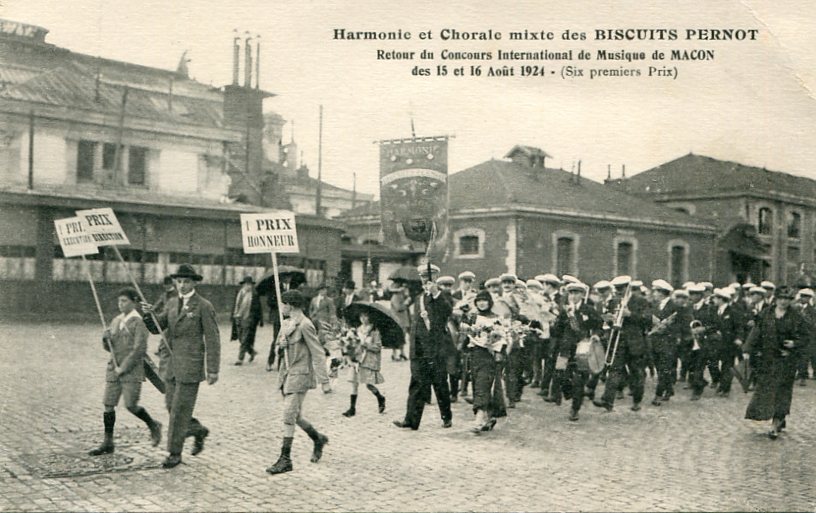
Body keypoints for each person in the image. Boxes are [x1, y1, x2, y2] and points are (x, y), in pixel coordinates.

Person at [142, 263, 220, 469]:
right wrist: (148, 315)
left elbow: (213, 339)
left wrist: (213, 369)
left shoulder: (203, 306)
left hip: (190, 367)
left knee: (178, 411)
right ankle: (196, 429)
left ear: (194, 283)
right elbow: (156, 329)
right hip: (170, 366)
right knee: (171, 406)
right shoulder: (171, 303)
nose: (182, 285)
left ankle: (174, 453)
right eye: (179, 281)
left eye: (186, 281)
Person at [89, 287, 162, 456]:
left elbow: (139, 349)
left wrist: (125, 367)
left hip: (131, 370)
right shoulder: (116, 320)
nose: (120, 304)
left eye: (125, 301)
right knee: (108, 404)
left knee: (131, 405)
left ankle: (153, 424)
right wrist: (105, 339)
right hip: (114, 368)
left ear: (134, 302)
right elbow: (110, 349)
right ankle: (108, 442)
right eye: (119, 301)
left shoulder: (139, 322)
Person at [266, 290, 332, 475]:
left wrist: (324, 381)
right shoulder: (286, 323)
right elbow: (279, 347)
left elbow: (318, 353)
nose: (281, 307)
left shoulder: (305, 325)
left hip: (300, 376)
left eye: (283, 304)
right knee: (296, 416)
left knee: (288, 415)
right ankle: (318, 438)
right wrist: (282, 345)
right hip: (286, 375)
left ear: (291, 305)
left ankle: (285, 459)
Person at [393, 264, 454, 430]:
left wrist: (436, 293)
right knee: (416, 384)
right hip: (419, 348)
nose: (426, 279)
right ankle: (411, 420)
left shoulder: (444, 295)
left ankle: (446, 416)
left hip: (436, 348)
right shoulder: (419, 296)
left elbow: (447, 312)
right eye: (423, 277)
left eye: (429, 276)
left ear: (436, 277)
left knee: (440, 383)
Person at [744, 286, 809, 439]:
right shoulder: (766, 314)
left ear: (790, 301)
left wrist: (794, 344)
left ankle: (775, 423)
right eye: (781, 298)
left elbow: (807, 337)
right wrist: (747, 349)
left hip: (786, 360)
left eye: (787, 299)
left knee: (782, 391)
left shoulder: (797, 317)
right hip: (767, 359)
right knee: (766, 390)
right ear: (776, 298)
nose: (783, 302)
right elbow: (756, 333)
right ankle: (779, 418)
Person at [594, 276, 652, 412]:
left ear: (628, 288)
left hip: (635, 343)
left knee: (636, 374)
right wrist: (608, 319)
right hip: (618, 342)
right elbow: (607, 321)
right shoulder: (614, 302)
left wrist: (630, 314)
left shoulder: (641, 301)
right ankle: (607, 401)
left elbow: (647, 321)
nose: (619, 291)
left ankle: (637, 401)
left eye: (621, 289)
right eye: (617, 289)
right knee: (614, 371)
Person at [551, 282, 603, 421]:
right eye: (571, 293)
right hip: (565, 349)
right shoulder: (565, 311)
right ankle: (568, 394)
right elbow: (557, 331)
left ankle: (575, 408)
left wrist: (596, 334)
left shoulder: (588, 309)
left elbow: (599, 325)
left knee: (579, 380)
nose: (573, 296)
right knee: (561, 375)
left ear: (582, 294)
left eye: (577, 293)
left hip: (583, 348)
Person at [461, 290, 507, 433]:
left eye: (484, 300)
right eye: (479, 300)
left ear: (489, 302)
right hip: (475, 355)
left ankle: (478, 420)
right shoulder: (473, 317)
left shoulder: (497, 319)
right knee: (479, 385)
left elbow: (503, 337)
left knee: (482, 385)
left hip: (490, 356)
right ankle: (490, 417)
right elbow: (465, 334)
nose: (481, 303)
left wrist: (498, 350)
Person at [341, 310, 386, 417]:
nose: (363, 319)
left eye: (365, 316)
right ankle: (352, 408)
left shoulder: (374, 331)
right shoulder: (357, 329)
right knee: (354, 383)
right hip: (357, 359)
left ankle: (380, 397)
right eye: (361, 316)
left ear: (369, 317)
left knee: (368, 384)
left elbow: (378, 347)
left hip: (368, 360)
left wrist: (365, 344)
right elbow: (353, 343)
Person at [711, 288, 745, 397]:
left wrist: (739, 338)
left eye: (716, 298)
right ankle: (721, 384)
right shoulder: (715, 310)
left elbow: (739, 326)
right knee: (713, 363)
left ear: (721, 299)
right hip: (716, 342)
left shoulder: (732, 312)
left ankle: (725, 389)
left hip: (729, 343)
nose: (714, 300)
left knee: (727, 365)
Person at [232, 276, 263, 366]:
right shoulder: (239, 293)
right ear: (243, 285)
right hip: (238, 317)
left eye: (250, 284)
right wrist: (234, 316)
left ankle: (240, 359)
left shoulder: (254, 295)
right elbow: (235, 305)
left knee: (245, 338)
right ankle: (252, 351)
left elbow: (259, 308)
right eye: (246, 284)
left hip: (248, 318)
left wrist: (260, 320)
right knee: (240, 338)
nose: (248, 286)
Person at [266, 274, 293, 372]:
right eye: (286, 277)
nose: (288, 278)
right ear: (282, 278)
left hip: (289, 317)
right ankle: (270, 361)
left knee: (287, 339)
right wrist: (278, 302)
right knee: (276, 339)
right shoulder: (276, 288)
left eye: (289, 277)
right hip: (278, 317)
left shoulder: (292, 288)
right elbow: (269, 302)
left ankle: (281, 363)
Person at [794, 288, 816, 385]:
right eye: (802, 296)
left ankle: (803, 376)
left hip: (808, 335)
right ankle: (798, 373)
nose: (803, 298)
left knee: (805, 355)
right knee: (796, 355)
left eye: (806, 297)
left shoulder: (812, 310)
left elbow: (812, 323)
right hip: (796, 334)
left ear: (809, 298)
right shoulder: (795, 308)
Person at [388, 280, 412, 361]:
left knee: (402, 337)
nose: (407, 290)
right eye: (405, 288)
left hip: (403, 320)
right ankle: (394, 354)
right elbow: (399, 308)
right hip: (398, 320)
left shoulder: (402, 296)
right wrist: (406, 302)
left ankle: (402, 353)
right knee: (397, 337)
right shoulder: (396, 296)